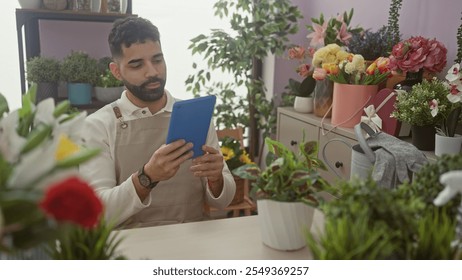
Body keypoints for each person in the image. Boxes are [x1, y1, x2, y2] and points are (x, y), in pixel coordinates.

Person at [80, 17, 235, 228]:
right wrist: (147, 177)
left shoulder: (196, 115)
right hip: (130, 245)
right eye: (137, 64)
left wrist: (216, 179)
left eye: (157, 60)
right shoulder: (98, 126)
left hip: (191, 239)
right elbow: (98, 213)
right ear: (116, 71)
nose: (152, 72)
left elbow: (223, 201)